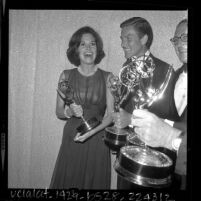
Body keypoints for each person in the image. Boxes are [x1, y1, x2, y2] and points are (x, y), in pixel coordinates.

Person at [112, 17, 178, 189]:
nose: (122, 43)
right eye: (121, 38)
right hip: (126, 155)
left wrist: (131, 119)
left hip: (151, 161)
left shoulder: (165, 70)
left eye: (128, 38)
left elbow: (167, 116)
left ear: (144, 39)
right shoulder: (125, 66)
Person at [50, 26, 115, 189]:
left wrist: (90, 133)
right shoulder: (65, 75)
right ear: (76, 49)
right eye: (83, 44)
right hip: (73, 136)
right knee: (69, 181)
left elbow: (111, 116)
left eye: (92, 44)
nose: (88, 48)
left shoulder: (108, 77)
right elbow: (59, 112)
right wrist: (69, 111)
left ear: (97, 49)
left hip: (98, 136)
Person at [131, 19, 188, 190]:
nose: (179, 44)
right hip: (171, 174)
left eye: (185, 37)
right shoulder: (175, 75)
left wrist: (171, 138)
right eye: (176, 40)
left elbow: (171, 134)